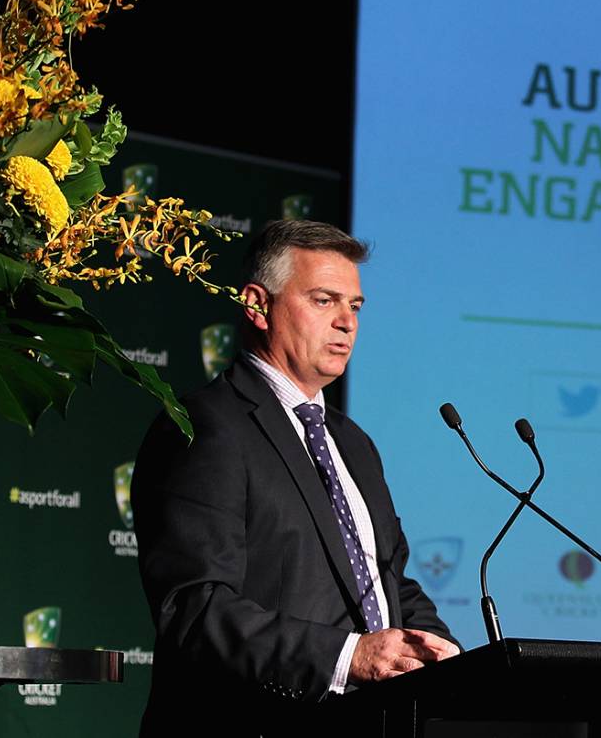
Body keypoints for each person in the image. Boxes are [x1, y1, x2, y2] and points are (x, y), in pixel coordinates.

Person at [133, 220, 459, 736]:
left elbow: (386, 578)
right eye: (325, 300)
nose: (346, 323)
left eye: (354, 306)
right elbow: (194, 608)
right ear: (258, 305)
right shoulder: (204, 426)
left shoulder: (353, 443)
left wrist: (441, 651)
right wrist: (348, 656)